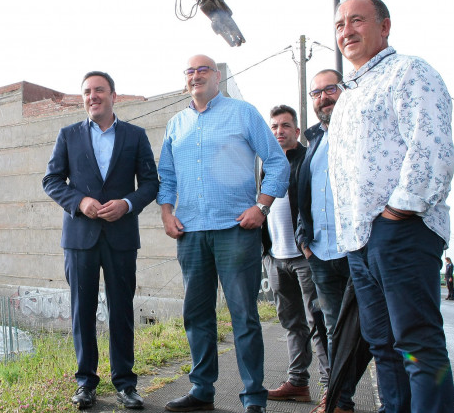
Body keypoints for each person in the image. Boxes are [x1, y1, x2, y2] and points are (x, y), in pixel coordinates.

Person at [329, 0, 454, 412]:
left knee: (417, 346)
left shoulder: (409, 72)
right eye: (340, 24)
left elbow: (432, 149)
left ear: (384, 26)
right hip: (360, 242)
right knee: (383, 347)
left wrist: (396, 213)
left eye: (357, 20)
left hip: (401, 231)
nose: (347, 30)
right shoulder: (348, 96)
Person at [157, 54, 289, 413]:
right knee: (196, 315)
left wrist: (260, 207)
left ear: (217, 77)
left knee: (243, 315)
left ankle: (253, 398)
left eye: (203, 70)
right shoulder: (176, 124)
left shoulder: (243, 113)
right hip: (191, 233)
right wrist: (167, 214)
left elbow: (277, 162)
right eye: (190, 71)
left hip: (236, 230)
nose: (196, 75)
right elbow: (166, 176)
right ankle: (202, 390)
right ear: (185, 80)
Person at [43, 71, 159, 410]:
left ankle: (125, 384)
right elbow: (51, 180)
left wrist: (128, 204)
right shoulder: (68, 135)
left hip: (121, 237)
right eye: (87, 92)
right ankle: (85, 383)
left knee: (121, 311)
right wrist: (79, 201)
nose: (93, 96)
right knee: (83, 312)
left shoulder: (135, 136)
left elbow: (151, 183)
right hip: (80, 238)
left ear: (113, 95)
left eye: (99, 90)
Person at [297, 69, 373, 413]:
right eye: (316, 93)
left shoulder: (362, 132)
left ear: (346, 90)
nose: (323, 97)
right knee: (333, 331)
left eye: (330, 89)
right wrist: (304, 239)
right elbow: (304, 195)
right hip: (322, 253)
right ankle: (340, 399)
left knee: (374, 330)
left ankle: (390, 398)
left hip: (359, 249)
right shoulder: (315, 141)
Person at [262, 105, 329, 403]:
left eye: (285, 125)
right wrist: (266, 253)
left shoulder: (309, 160)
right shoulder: (265, 165)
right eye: (275, 126)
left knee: (319, 323)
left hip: (305, 257)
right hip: (276, 258)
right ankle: (298, 383)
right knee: (292, 323)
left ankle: (331, 389)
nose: (279, 131)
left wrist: (309, 245)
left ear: (297, 131)